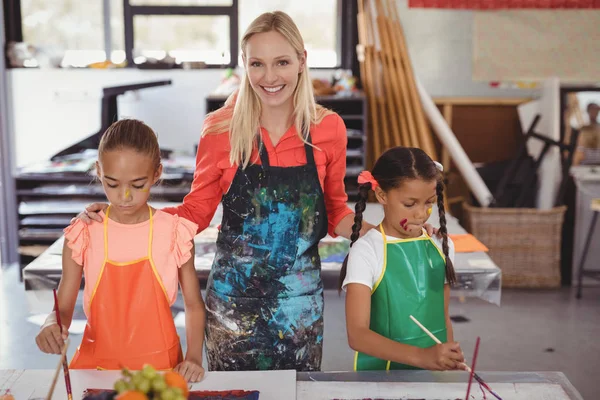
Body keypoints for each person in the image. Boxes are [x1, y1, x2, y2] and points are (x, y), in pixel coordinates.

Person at [75, 12, 436, 372]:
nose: (270, 76)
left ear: (301, 61)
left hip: (299, 312)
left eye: (282, 62)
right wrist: (121, 218)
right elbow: (196, 213)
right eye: (257, 64)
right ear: (244, 65)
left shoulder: (329, 129)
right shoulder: (220, 130)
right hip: (232, 310)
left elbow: (336, 213)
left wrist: (395, 237)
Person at [35, 119, 206, 382]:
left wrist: (194, 357)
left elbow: (194, 305)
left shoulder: (174, 232)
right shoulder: (85, 231)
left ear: (157, 173)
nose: (124, 197)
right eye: (112, 184)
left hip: (161, 366)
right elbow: (64, 308)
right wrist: (52, 325)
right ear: (98, 172)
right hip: (97, 367)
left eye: (138, 185)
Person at [340, 147, 466, 371]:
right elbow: (357, 335)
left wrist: (448, 358)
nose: (421, 213)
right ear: (381, 195)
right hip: (382, 379)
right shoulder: (367, 251)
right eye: (410, 204)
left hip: (433, 376)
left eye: (429, 203)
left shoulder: (440, 245)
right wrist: (422, 357)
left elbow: (443, 318)